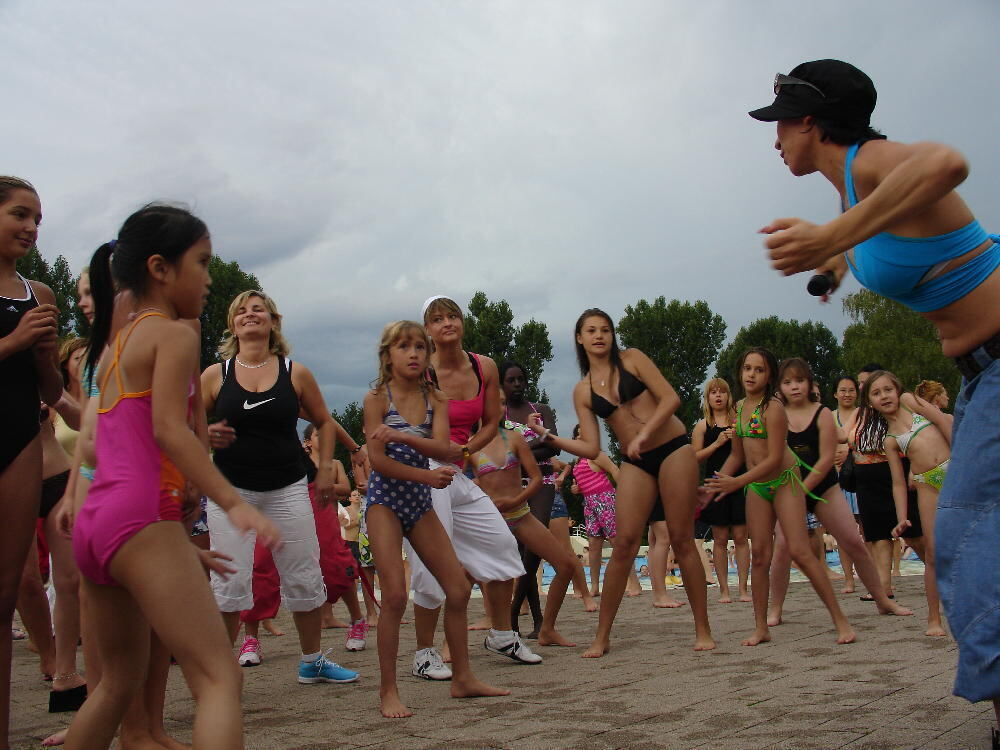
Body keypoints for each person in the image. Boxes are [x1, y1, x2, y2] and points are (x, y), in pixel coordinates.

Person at [751, 60, 1000, 724]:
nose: (774, 140)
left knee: (968, 535)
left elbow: (947, 162)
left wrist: (834, 239)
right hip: (980, 374)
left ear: (811, 121)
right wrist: (836, 262)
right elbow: (877, 237)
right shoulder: (852, 197)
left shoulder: (869, 163)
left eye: (780, 124)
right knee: (967, 535)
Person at [63, 204, 280, 750]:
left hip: (97, 522)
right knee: (218, 677)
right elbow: (169, 429)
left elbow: (100, 439)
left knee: (114, 684)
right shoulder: (174, 335)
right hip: (141, 518)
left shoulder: (113, 347)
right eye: (202, 263)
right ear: (161, 268)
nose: (209, 279)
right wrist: (232, 502)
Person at [529, 308, 714, 657]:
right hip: (635, 461)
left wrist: (645, 432)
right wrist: (550, 438)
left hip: (673, 448)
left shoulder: (633, 360)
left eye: (606, 330)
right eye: (591, 330)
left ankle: (702, 629)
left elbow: (671, 398)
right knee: (625, 542)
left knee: (681, 537)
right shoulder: (582, 390)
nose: (600, 336)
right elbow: (592, 447)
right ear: (580, 339)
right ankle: (602, 636)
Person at [201, 290, 359, 685]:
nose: (250, 315)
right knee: (230, 579)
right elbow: (188, 429)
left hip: (288, 486)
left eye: (258, 310)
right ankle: (219, 671)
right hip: (230, 491)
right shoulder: (214, 375)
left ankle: (312, 661)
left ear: (273, 322)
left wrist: (325, 469)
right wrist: (206, 434)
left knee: (303, 574)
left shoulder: (295, 372)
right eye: (242, 310)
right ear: (232, 324)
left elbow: (323, 421)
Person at [363, 320, 509, 717]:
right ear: (387, 355)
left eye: (418, 348)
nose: (413, 354)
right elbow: (377, 461)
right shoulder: (377, 397)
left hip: (420, 502)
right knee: (393, 595)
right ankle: (388, 690)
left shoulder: (436, 399)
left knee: (458, 590)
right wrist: (425, 475)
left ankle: (463, 679)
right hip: (385, 502)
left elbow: (445, 449)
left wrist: (406, 439)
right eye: (404, 347)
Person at [404, 296, 534, 681]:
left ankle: (500, 635)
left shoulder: (484, 366)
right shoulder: (419, 368)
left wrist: (464, 451)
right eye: (438, 318)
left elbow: (493, 423)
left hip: (456, 471)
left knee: (502, 545)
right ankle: (424, 655)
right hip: (422, 471)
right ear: (427, 329)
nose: (448, 323)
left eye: (453, 316)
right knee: (432, 566)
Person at [705, 348, 855, 647]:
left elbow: (774, 458)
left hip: (785, 480)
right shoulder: (738, 408)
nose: (751, 374)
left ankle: (841, 620)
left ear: (769, 375)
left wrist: (736, 483)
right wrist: (714, 484)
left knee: (800, 551)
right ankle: (761, 627)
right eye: (747, 368)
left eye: (759, 370)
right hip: (757, 487)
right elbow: (737, 455)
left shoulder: (773, 408)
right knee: (760, 555)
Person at [765, 358, 911, 626]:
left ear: (809, 383)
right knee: (783, 549)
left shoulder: (821, 412)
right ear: (779, 386)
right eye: (787, 382)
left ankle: (883, 599)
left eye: (799, 381)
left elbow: (824, 460)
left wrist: (802, 491)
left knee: (853, 541)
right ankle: (775, 609)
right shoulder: (775, 413)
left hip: (823, 485)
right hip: (789, 487)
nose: (794, 387)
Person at [0, 176, 62, 750]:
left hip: (19, 439)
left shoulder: (38, 293)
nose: (31, 227)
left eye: (37, 219)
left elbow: (50, 386)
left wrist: (44, 357)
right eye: (20, 214)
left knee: (8, 590)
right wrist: (14, 342)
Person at [473, 395, 577, 647]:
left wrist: (515, 500)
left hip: (519, 513)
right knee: (465, 580)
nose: (498, 408)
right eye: (492, 402)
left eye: (501, 403)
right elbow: (464, 483)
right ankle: (460, 642)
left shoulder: (515, 438)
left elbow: (536, 478)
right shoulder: (470, 446)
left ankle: (547, 629)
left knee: (566, 565)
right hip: (491, 519)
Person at [866, 371, 952, 637]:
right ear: (870, 403)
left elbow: (942, 421)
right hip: (928, 484)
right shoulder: (890, 440)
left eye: (887, 389)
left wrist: (963, 458)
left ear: (897, 389)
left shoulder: (908, 401)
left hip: (954, 469)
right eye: (876, 393)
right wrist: (902, 517)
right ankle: (934, 618)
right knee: (933, 553)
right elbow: (898, 484)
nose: (884, 396)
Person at [499, 361, 560, 639]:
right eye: (510, 380)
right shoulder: (500, 413)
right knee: (523, 549)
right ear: (501, 384)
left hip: (544, 481)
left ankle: (512, 612)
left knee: (536, 542)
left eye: (520, 379)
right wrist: (533, 448)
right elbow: (498, 449)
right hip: (511, 484)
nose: (516, 385)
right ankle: (537, 621)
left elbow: (553, 446)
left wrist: (519, 453)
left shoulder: (541, 410)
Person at [691, 378, 750, 604]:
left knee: (741, 537)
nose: (718, 396)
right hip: (714, 484)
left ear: (729, 396)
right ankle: (724, 589)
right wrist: (716, 443)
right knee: (720, 539)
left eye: (722, 392)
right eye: (713, 393)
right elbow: (694, 457)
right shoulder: (702, 426)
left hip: (739, 481)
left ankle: (743, 588)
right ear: (707, 398)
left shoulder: (739, 422)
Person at [569, 426, 641, 598]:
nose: (580, 436)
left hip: (605, 499)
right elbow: (586, 480)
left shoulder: (596, 454)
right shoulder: (578, 461)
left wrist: (625, 494)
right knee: (593, 545)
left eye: (583, 433)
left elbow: (615, 470)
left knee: (617, 542)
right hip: (589, 502)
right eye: (577, 434)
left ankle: (634, 583)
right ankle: (594, 586)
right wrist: (576, 489)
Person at [547, 459, 597, 612]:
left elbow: (567, 465)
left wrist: (561, 477)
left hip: (550, 497)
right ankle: (521, 603)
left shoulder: (546, 455)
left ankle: (585, 594)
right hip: (527, 496)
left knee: (567, 551)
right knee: (524, 552)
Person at [832, 375, 861, 592]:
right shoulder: (829, 417)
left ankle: (874, 574)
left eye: (851, 390)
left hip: (861, 475)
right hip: (836, 479)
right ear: (835, 394)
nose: (847, 394)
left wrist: (848, 452)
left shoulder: (864, 415)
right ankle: (848, 578)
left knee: (867, 528)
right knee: (842, 531)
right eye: (843, 390)